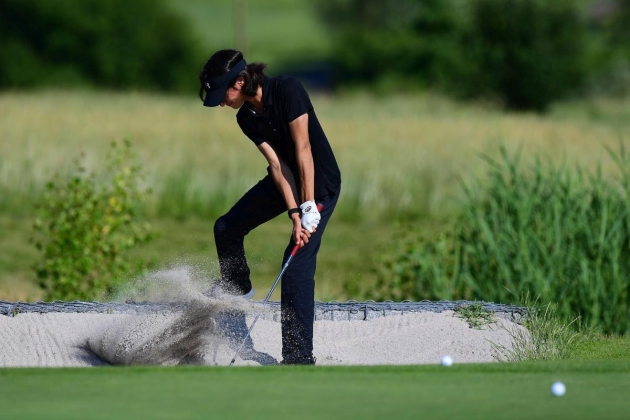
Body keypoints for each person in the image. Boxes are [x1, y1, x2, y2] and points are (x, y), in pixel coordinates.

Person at [198, 49, 341, 365]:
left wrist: (306, 209)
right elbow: (278, 166)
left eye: (224, 94)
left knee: (295, 263)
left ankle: (298, 357)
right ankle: (239, 292)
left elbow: (304, 151)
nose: (222, 101)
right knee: (226, 227)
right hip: (287, 181)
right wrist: (293, 211)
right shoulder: (245, 117)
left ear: (241, 80)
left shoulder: (288, 89)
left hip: (320, 185)